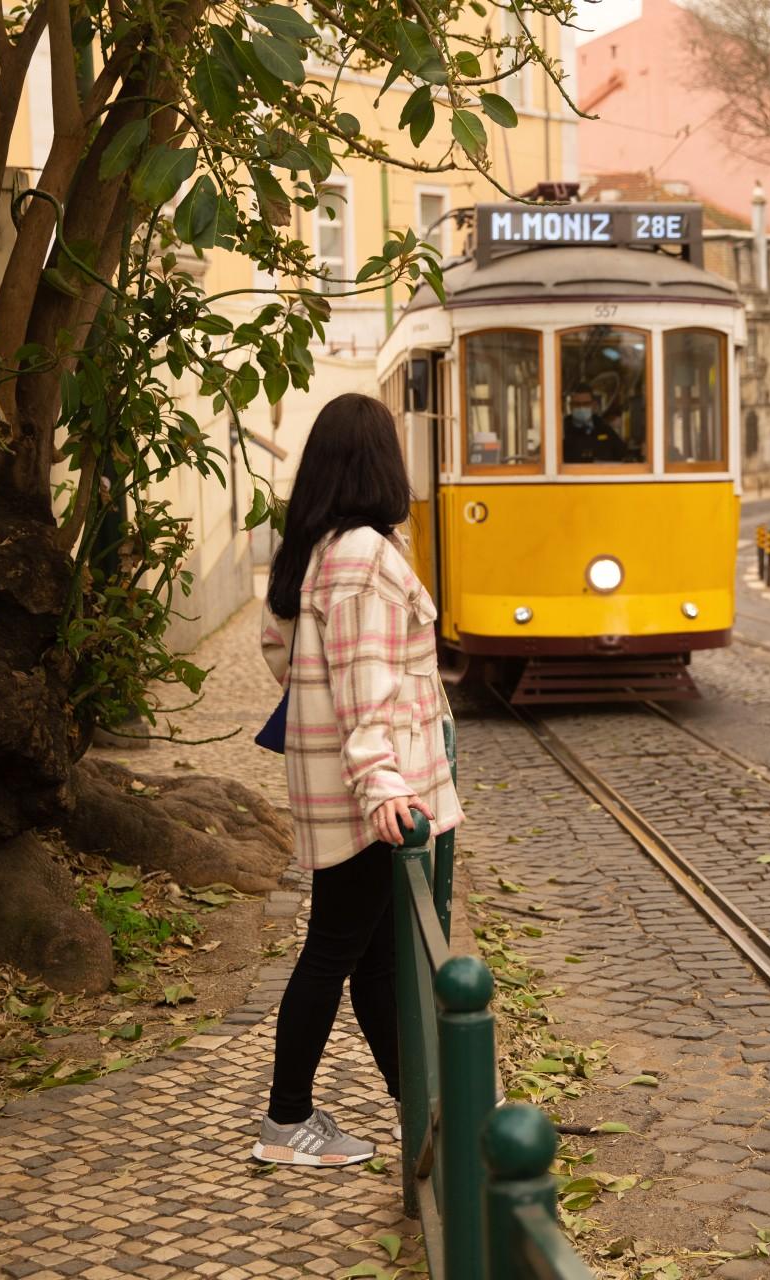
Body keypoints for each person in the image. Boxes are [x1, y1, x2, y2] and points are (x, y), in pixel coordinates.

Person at [251, 393, 462, 1167]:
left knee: (370, 957)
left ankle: (419, 1106)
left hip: (341, 788)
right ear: (381, 465)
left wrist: (319, 711)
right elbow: (365, 683)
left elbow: (279, 651)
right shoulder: (365, 557)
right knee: (333, 953)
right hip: (372, 799)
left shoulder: (311, 551)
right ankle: (285, 1121)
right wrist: (382, 786)